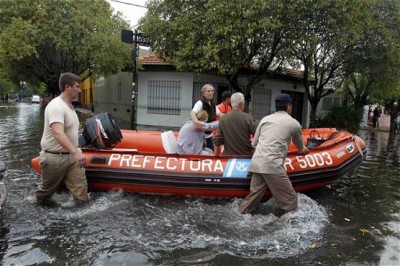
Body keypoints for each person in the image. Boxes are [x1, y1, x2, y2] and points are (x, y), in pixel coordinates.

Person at [238, 93, 309, 215]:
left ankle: (239, 214)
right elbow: (300, 147)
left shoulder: (265, 119)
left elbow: (254, 143)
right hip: (273, 165)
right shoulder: (293, 123)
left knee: (252, 199)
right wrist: (306, 150)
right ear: (288, 106)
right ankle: (290, 225)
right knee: (291, 200)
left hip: (256, 163)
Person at [36, 72, 88, 206]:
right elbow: (58, 134)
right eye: (77, 86)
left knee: (81, 193)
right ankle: (39, 209)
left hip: (72, 158)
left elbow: (70, 132)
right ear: (67, 87)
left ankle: (80, 218)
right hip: (55, 158)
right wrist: (76, 152)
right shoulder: (56, 106)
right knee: (45, 193)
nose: (80, 90)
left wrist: (76, 150)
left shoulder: (70, 107)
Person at [190, 84, 221, 151]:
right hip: (200, 135)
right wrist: (196, 121)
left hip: (209, 135)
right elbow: (192, 113)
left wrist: (229, 118)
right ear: (203, 93)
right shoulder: (200, 103)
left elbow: (219, 114)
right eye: (208, 91)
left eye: (212, 91)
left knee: (211, 151)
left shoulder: (212, 104)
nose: (211, 92)